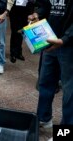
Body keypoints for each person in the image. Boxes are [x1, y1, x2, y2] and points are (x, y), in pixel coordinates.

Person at [28, 0, 73, 140]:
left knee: (69, 91)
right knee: (45, 82)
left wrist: (65, 39)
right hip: (49, 40)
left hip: (69, 46)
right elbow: (45, 5)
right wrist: (37, 14)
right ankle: (43, 118)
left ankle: (65, 133)